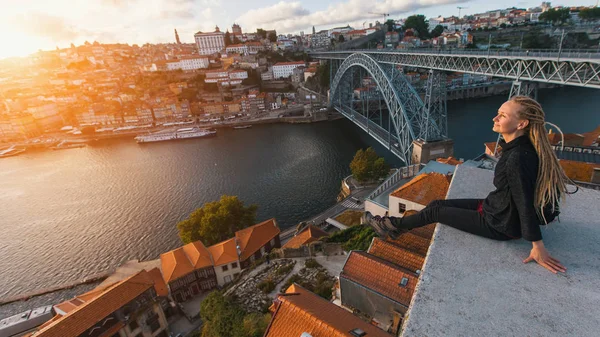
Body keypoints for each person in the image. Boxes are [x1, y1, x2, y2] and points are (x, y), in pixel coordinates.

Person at [363, 95, 569, 274]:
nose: (495, 118)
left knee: (434, 213)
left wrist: (537, 245)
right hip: (498, 208)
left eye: (503, 116)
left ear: (521, 124)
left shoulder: (517, 157)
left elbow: (524, 201)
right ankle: (397, 229)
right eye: (498, 113)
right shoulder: (520, 148)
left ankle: (390, 226)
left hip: (501, 224)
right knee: (436, 204)